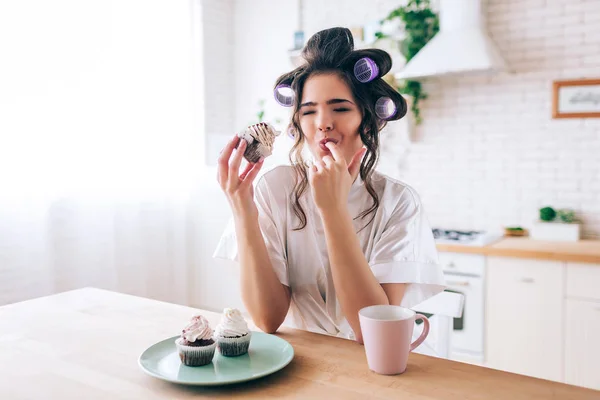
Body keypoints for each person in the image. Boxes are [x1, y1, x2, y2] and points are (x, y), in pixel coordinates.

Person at [213, 27, 444, 343]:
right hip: (298, 366)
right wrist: (243, 211)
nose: (323, 122)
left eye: (340, 108)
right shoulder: (273, 188)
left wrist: (333, 211)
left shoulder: (399, 202)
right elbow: (266, 319)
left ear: (368, 119)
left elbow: (371, 331)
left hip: (377, 369)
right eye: (309, 111)